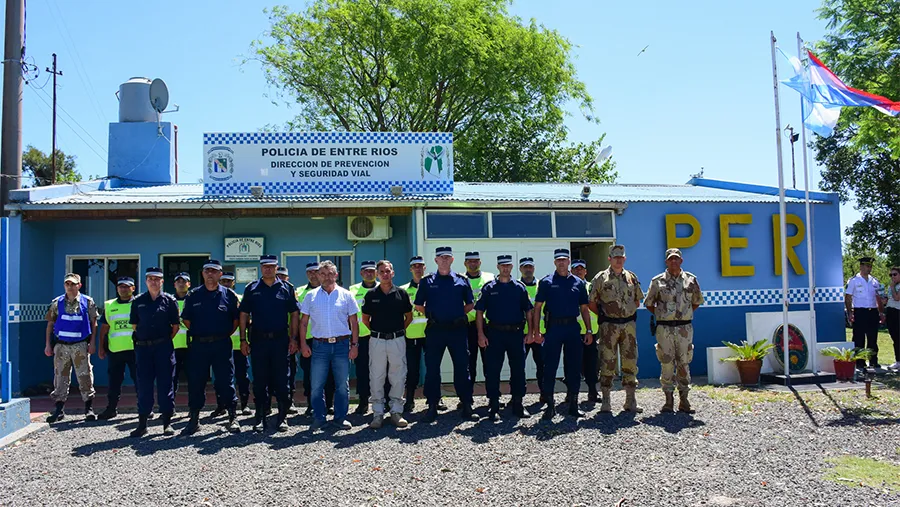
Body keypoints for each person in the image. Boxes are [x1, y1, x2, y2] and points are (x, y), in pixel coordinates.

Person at [414, 246, 478, 422]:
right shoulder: (427, 282)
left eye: (447, 257)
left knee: (462, 367)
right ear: (435, 260)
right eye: (440, 257)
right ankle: (432, 405)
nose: (444, 260)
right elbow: (419, 305)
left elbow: (470, 304)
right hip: (436, 330)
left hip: (457, 330)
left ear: (452, 260)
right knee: (432, 368)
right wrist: (434, 314)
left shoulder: (461, 281)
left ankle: (466, 404)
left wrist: (456, 314)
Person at [240, 255, 300, 433]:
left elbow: (294, 314)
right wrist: (243, 339)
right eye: (264, 267)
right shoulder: (251, 289)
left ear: (276, 268)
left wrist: (293, 338)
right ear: (260, 268)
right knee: (259, 381)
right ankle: (260, 417)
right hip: (259, 341)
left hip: (280, 341)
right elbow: (244, 314)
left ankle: (282, 418)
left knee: (282, 381)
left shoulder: (286, 288)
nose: (267, 269)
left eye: (271, 266)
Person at [180, 260, 241, 434]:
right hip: (199, 345)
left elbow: (235, 321)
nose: (210, 274)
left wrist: (221, 334)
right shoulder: (193, 295)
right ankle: (194, 419)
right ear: (203, 274)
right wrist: (201, 333)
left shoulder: (229, 296)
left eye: (214, 271)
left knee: (225, 380)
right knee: (196, 381)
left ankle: (232, 417)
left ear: (220, 274)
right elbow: (186, 319)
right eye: (207, 271)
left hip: (221, 344)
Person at [299, 260, 360, 431]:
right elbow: (303, 323)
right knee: (317, 385)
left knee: (342, 385)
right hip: (320, 346)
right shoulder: (310, 297)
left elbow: (354, 323)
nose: (326, 277)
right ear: (318, 276)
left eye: (330, 274)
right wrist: (303, 344)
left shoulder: (346, 295)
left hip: (342, 345)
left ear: (336, 275)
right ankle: (319, 418)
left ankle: (340, 418)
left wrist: (354, 345)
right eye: (323, 274)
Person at [533, 248, 593, 420]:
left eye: (564, 260)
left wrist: (588, 330)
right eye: (558, 260)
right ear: (554, 262)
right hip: (553, 329)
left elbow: (584, 308)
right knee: (549, 367)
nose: (561, 262)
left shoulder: (578, 283)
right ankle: (550, 406)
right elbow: (537, 308)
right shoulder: (546, 282)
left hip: (572, 329)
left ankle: (573, 404)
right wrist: (537, 331)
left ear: (569, 262)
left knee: (574, 367)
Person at [644, 248, 703, 414]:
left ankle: (684, 400)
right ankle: (668, 400)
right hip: (665, 328)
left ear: (681, 261)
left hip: (684, 328)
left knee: (684, 362)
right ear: (666, 262)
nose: (674, 262)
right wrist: (663, 315)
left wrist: (683, 314)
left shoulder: (691, 280)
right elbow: (649, 303)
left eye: (676, 259)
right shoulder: (657, 281)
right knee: (667, 362)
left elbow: (696, 302)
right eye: (671, 259)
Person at [476, 255, 533, 420]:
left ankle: (518, 403)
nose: (505, 268)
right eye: (502, 266)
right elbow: (479, 312)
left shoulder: (519, 288)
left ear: (512, 267)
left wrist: (530, 332)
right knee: (493, 370)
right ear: (498, 267)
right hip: (495, 334)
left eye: (508, 265)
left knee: (518, 370)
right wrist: (481, 334)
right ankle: (493, 405)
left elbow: (528, 311)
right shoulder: (489, 288)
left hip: (515, 334)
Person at [589, 245, 643, 413]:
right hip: (609, 327)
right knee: (607, 362)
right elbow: (592, 302)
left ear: (624, 259)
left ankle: (630, 401)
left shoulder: (631, 277)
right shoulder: (601, 278)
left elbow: (637, 300)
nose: (618, 259)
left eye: (621, 257)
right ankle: (606, 401)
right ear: (609, 259)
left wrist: (626, 314)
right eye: (615, 257)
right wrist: (605, 316)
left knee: (630, 362)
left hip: (628, 327)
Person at [129, 267, 181, 437]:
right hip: (143, 348)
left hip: (163, 348)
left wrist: (163, 341)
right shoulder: (138, 301)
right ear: (145, 281)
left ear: (162, 281)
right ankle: (142, 424)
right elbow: (135, 325)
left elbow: (175, 327)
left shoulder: (169, 301)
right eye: (150, 278)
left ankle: (167, 423)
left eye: (157, 279)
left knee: (166, 385)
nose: (153, 281)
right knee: (144, 386)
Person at [361, 260, 412, 429]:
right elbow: (365, 320)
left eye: (388, 271)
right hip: (377, 340)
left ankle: (396, 412)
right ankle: (377, 414)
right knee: (377, 376)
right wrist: (379, 332)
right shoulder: (371, 295)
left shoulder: (402, 294)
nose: (385, 274)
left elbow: (408, 317)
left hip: (397, 340)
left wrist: (397, 331)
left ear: (393, 273)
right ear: (377, 274)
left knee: (398, 376)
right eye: (381, 271)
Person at [44, 273, 99, 424]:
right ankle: (59, 409)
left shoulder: (87, 302)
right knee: (60, 377)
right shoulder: (57, 303)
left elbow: (94, 324)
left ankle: (88, 408)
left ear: (79, 285)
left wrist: (92, 343)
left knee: (84, 376)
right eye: (67, 284)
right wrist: (48, 345)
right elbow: (50, 324)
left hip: (80, 345)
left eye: (73, 284)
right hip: (61, 346)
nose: (70, 286)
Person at [400, 256, 447, 413]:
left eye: (421, 266)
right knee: (412, 370)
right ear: (410, 269)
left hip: (432, 334)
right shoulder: (404, 290)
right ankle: (410, 400)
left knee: (433, 368)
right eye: (415, 266)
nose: (418, 269)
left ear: (425, 268)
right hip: (412, 336)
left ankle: (435, 398)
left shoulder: (433, 286)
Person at [295, 262, 336, 416]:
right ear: (307, 275)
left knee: (329, 373)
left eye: (315, 272)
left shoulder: (330, 291)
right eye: (310, 272)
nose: (313, 275)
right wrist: (300, 341)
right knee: (309, 375)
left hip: (325, 338)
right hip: (308, 340)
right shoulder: (299, 292)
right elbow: (297, 319)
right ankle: (311, 404)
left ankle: (329, 404)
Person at [96, 277, 138, 420]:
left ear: (133, 288)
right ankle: (111, 409)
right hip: (115, 351)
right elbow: (104, 329)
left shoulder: (139, 303)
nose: (123, 289)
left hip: (136, 350)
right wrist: (101, 347)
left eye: (127, 286)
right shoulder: (109, 305)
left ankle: (144, 408)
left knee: (140, 380)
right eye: (121, 286)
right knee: (114, 382)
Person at [349, 260, 379, 415]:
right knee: (362, 371)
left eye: (372, 271)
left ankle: (382, 401)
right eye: (366, 271)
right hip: (361, 337)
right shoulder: (352, 290)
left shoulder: (383, 287)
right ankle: (363, 401)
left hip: (380, 337)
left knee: (381, 370)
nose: (369, 273)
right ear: (361, 273)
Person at [845, 257, 885, 370]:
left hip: (872, 311)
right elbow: (848, 297)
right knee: (859, 337)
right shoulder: (854, 280)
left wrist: (881, 312)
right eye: (867, 266)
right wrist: (849, 312)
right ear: (861, 266)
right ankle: (859, 361)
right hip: (860, 311)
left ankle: (873, 360)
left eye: (870, 266)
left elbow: (878, 298)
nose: (869, 268)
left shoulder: (874, 281)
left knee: (873, 337)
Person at [220, 272, 252, 415]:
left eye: (229, 281)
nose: (226, 283)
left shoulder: (240, 299)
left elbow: (248, 320)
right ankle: (222, 406)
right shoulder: (217, 299)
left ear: (233, 283)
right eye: (224, 281)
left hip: (239, 345)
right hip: (221, 345)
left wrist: (245, 341)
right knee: (222, 378)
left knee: (242, 377)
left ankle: (244, 405)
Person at [519, 257, 547, 406]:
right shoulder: (516, 286)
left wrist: (540, 332)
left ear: (534, 268)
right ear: (520, 269)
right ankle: (518, 397)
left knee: (543, 365)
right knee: (518, 366)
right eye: (525, 267)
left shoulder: (542, 286)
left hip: (540, 335)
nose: (528, 269)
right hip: (520, 334)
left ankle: (545, 394)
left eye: (530, 267)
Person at [464, 251, 494, 388]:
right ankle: (467, 399)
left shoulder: (490, 278)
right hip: (467, 327)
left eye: (475, 261)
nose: (473, 264)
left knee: (490, 363)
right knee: (469, 364)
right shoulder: (459, 279)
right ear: (465, 263)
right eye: (470, 261)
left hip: (487, 326)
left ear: (480, 262)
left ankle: (493, 397)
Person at [571, 259, 600, 403]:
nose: (579, 271)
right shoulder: (569, 287)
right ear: (571, 271)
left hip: (591, 332)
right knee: (573, 363)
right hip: (573, 331)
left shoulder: (591, 287)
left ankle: (593, 391)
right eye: (576, 269)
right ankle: (571, 393)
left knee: (591, 363)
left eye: (581, 269)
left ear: (586, 271)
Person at [276, 265, 300, 414]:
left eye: (283, 276)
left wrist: (294, 338)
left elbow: (295, 316)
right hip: (271, 338)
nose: (280, 278)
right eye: (278, 275)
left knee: (289, 371)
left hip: (287, 337)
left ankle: (288, 401)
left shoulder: (290, 290)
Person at [172, 272, 191, 401]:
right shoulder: (168, 300)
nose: (181, 284)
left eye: (184, 281)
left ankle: (193, 408)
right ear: (174, 284)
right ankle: (169, 408)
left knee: (194, 378)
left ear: (188, 284)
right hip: (172, 346)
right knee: (171, 378)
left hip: (191, 346)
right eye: (178, 281)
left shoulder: (195, 300)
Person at [885, 266, 900, 370]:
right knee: (894, 337)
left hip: (898, 312)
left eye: (895, 274)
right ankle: (898, 360)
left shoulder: (895, 286)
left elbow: (897, 298)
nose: (892, 277)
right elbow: (890, 299)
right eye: (891, 275)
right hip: (890, 311)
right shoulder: (891, 286)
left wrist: (893, 287)